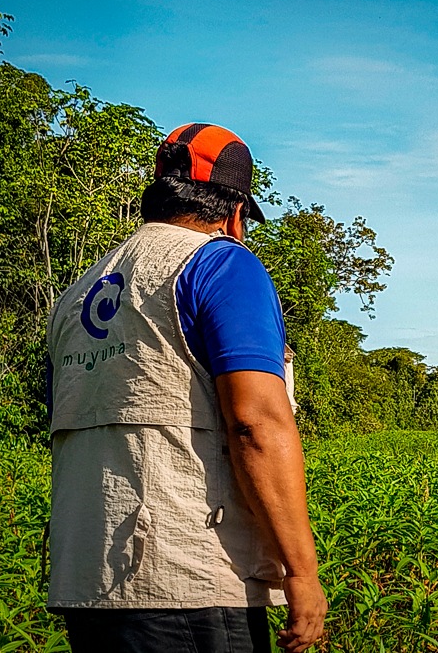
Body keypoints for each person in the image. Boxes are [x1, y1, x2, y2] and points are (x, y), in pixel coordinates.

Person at [45, 123, 326, 653]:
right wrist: (301, 571)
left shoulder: (80, 292)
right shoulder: (221, 263)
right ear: (235, 213)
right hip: (188, 575)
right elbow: (256, 424)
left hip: (84, 577)